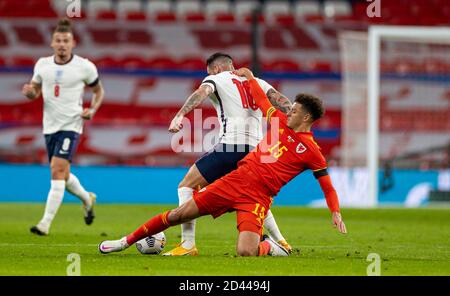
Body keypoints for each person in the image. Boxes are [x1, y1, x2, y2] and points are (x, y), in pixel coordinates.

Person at [99, 67, 347, 257]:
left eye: (293, 111)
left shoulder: (313, 151)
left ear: (305, 116)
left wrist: (335, 211)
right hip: (235, 180)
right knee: (178, 215)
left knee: (245, 252)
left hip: (258, 197)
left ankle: (273, 247)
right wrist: (250, 78)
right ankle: (125, 241)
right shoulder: (279, 121)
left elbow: (327, 185)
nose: (288, 112)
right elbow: (262, 100)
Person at [164, 52, 293, 255]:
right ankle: (282, 242)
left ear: (215, 68)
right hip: (256, 151)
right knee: (254, 196)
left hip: (231, 147)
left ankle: (188, 245)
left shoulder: (215, 78)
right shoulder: (257, 81)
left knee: (186, 186)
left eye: (209, 71)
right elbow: (281, 101)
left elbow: (201, 92)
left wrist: (180, 115)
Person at [22, 18, 105, 235]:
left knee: (57, 170)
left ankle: (44, 224)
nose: (61, 44)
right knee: (64, 175)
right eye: (58, 40)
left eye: (65, 40)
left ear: (73, 43)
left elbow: (99, 91)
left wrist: (92, 109)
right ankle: (87, 199)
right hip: (49, 127)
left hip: (72, 124)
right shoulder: (42, 65)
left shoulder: (85, 66)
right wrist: (31, 92)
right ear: (52, 43)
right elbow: (35, 90)